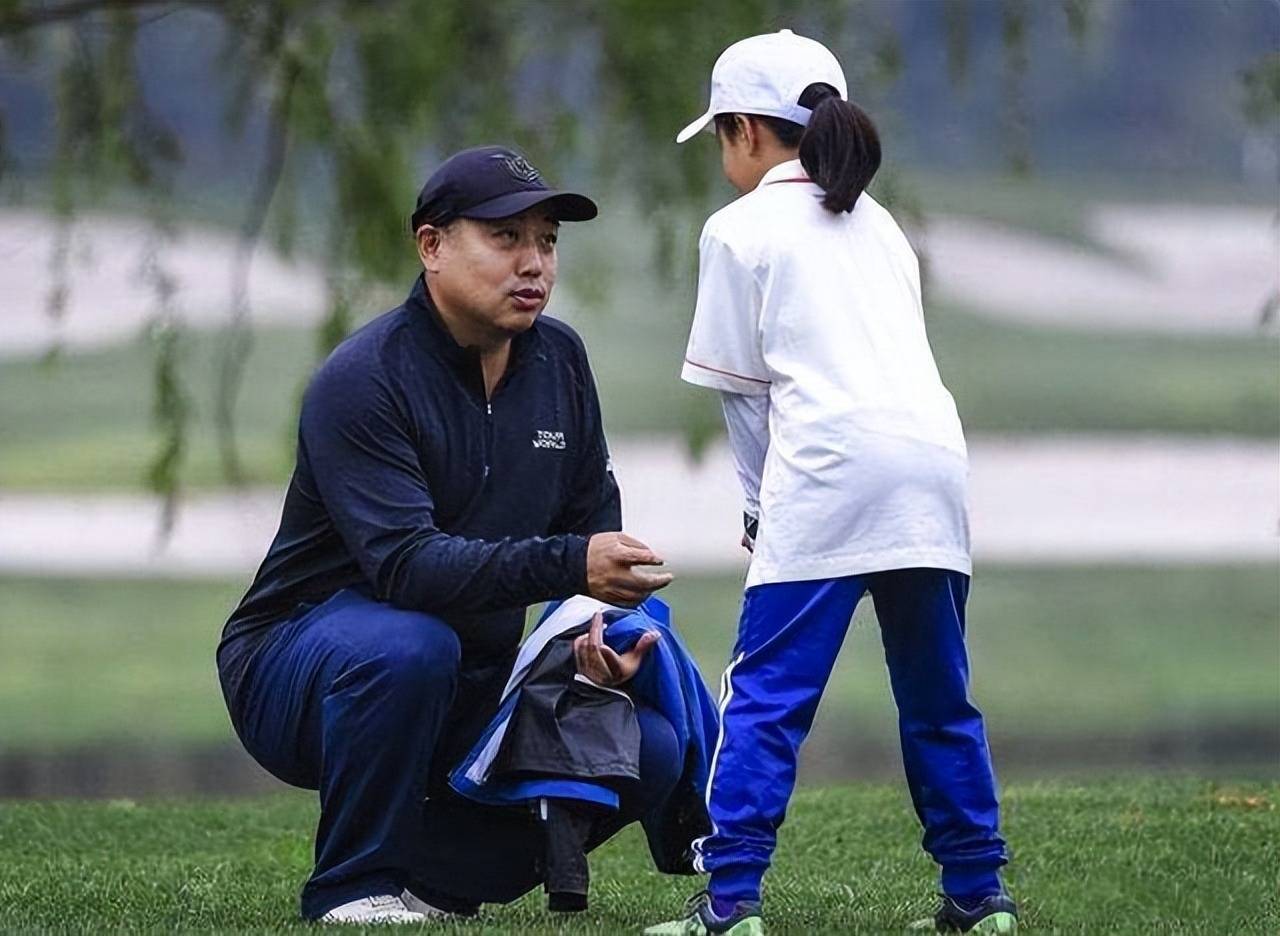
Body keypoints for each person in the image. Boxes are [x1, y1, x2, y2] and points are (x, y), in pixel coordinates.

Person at [215, 145, 679, 925]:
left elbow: (589, 524)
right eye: (506, 238)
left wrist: (593, 642)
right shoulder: (363, 379)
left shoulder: (560, 359)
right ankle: (352, 889)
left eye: (548, 241)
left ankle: (433, 881)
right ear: (430, 246)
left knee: (651, 744)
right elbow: (407, 569)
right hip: (298, 667)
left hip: (466, 673)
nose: (534, 263)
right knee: (411, 644)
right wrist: (573, 563)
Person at [645, 30, 1017, 936]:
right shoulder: (880, 223)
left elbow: (745, 399)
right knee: (939, 694)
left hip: (827, 468)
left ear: (741, 130)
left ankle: (729, 905)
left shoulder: (736, 230)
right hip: (931, 466)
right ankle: (979, 895)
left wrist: (758, 509)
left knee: (766, 695)